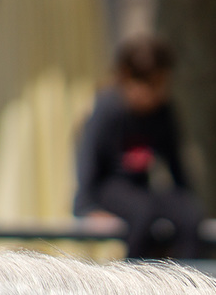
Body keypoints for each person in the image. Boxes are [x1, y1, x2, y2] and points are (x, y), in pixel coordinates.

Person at [73, 34, 204, 259]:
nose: (157, 94)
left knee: (190, 215)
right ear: (127, 79)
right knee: (143, 213)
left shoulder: (163, 112)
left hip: (142, 190)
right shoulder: (107, 109)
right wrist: (87, 209)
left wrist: (187, 198)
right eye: (152, 85)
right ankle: (133, 281)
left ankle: (187, 282)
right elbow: (88, 163)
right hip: (109, 189)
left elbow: (176, 164)